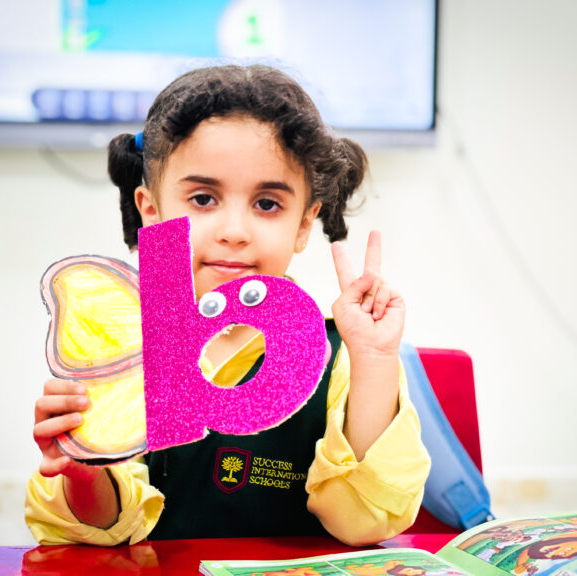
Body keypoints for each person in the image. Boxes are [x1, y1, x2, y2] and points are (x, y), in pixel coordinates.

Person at [26, 64, 431, 547]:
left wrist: (376, 359)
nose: (234, 231)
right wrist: (85, 473)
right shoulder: (125, 344)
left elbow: (363, 521)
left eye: (267, 204)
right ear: (150, 211)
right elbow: (102, 531)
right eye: (203, 198)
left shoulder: (341, 352)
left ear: (304, 225)